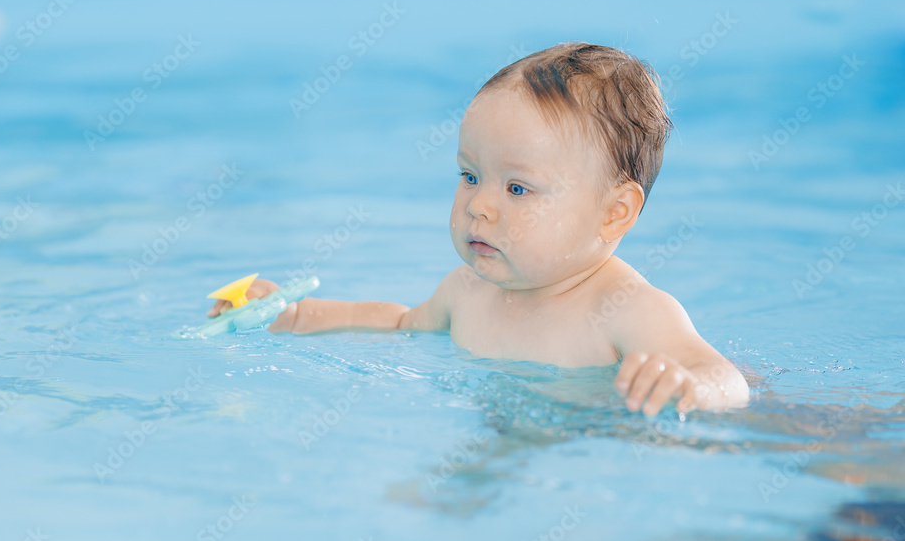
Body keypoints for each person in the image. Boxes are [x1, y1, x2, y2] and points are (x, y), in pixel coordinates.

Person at [207, 42, 749, 416]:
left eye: (517, 189)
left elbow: (725, 378)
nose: (479, 207)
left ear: (614, 212)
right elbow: (398, 325)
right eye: (470, 176)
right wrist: (291, 315)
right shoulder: (469, 290)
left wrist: (690, 386)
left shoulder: (628, 308)